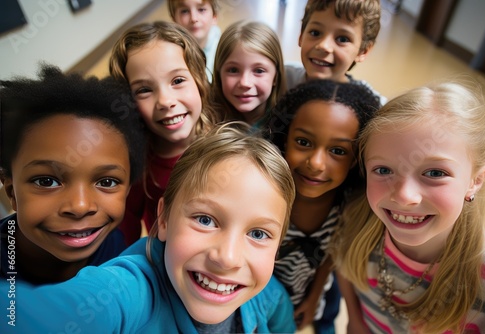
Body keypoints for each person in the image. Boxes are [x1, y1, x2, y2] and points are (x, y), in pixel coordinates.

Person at [0, 123, 297, 333]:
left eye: (258, 234)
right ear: (164, 219)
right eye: (205, 220)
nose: (228, 258)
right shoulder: (126, 293)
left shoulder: (264, 291)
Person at [334, 82, 485, 333]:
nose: (404, 196)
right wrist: (355, 320)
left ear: (475, 181)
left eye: (434, 172)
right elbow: (344, 264)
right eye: (383, 170)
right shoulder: (357, 221)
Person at [0, 64, 146, 285]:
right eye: (47, 181)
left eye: (107, 182)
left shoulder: (118, 251)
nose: (79, 206)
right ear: (11, 192)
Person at [266, 79, 381, 332]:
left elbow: (331, 256)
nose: (317, 163)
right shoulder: (264, 195)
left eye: (338, 151)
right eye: (304, 143)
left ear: (354, 160)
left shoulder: (349, 207)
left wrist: (315, 296)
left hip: (303, 299)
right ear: (285, 140)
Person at [109, 21, 219, 245]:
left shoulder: (226, 146)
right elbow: (125, 225)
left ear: (199, 81)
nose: (165, 101)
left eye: (177, 81)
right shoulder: (137, 162)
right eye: (144, 90)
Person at [286, 0, 386, 104]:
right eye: (315, 32)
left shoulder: (371, 105)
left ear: (363, 51)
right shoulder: (280, 77)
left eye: (342, 39)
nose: (324, 46)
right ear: (301, 35)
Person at [211, 20, 286, 128]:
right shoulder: (206, 123)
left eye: (259, 71)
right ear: (219, 73)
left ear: (276, 77)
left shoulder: (289, 124)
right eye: (233, 70)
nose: (245, 83)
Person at [167, 0, 221, 81]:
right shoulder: (171, 56)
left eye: (201, 10)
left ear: (214, 16)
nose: (194, 18)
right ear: (174, 20)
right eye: (184, 11)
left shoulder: (223, 49)